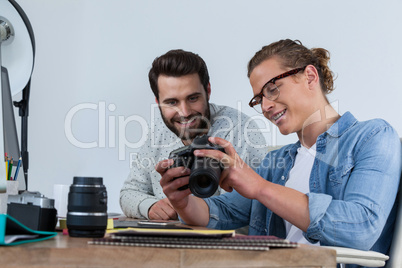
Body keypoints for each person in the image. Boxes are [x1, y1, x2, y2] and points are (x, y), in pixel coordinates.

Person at [158, 40, 401, 259]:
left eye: (272, 88)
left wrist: (260, 188)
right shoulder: (277, 162)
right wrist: (183, 202)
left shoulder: (372, 137)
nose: (265, 106)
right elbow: (219, 215)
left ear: (309, 76)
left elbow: (361, 228)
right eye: (258, 98)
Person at [120, 49, 267, 220]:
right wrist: (150, 206)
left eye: (192, 98)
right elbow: (129, 192)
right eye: (172, 102)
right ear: (158, 102)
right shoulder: (159, 132)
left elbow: (255, 207)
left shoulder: (240, 129)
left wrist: (184, 209)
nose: (184, 112)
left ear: (208, 90)